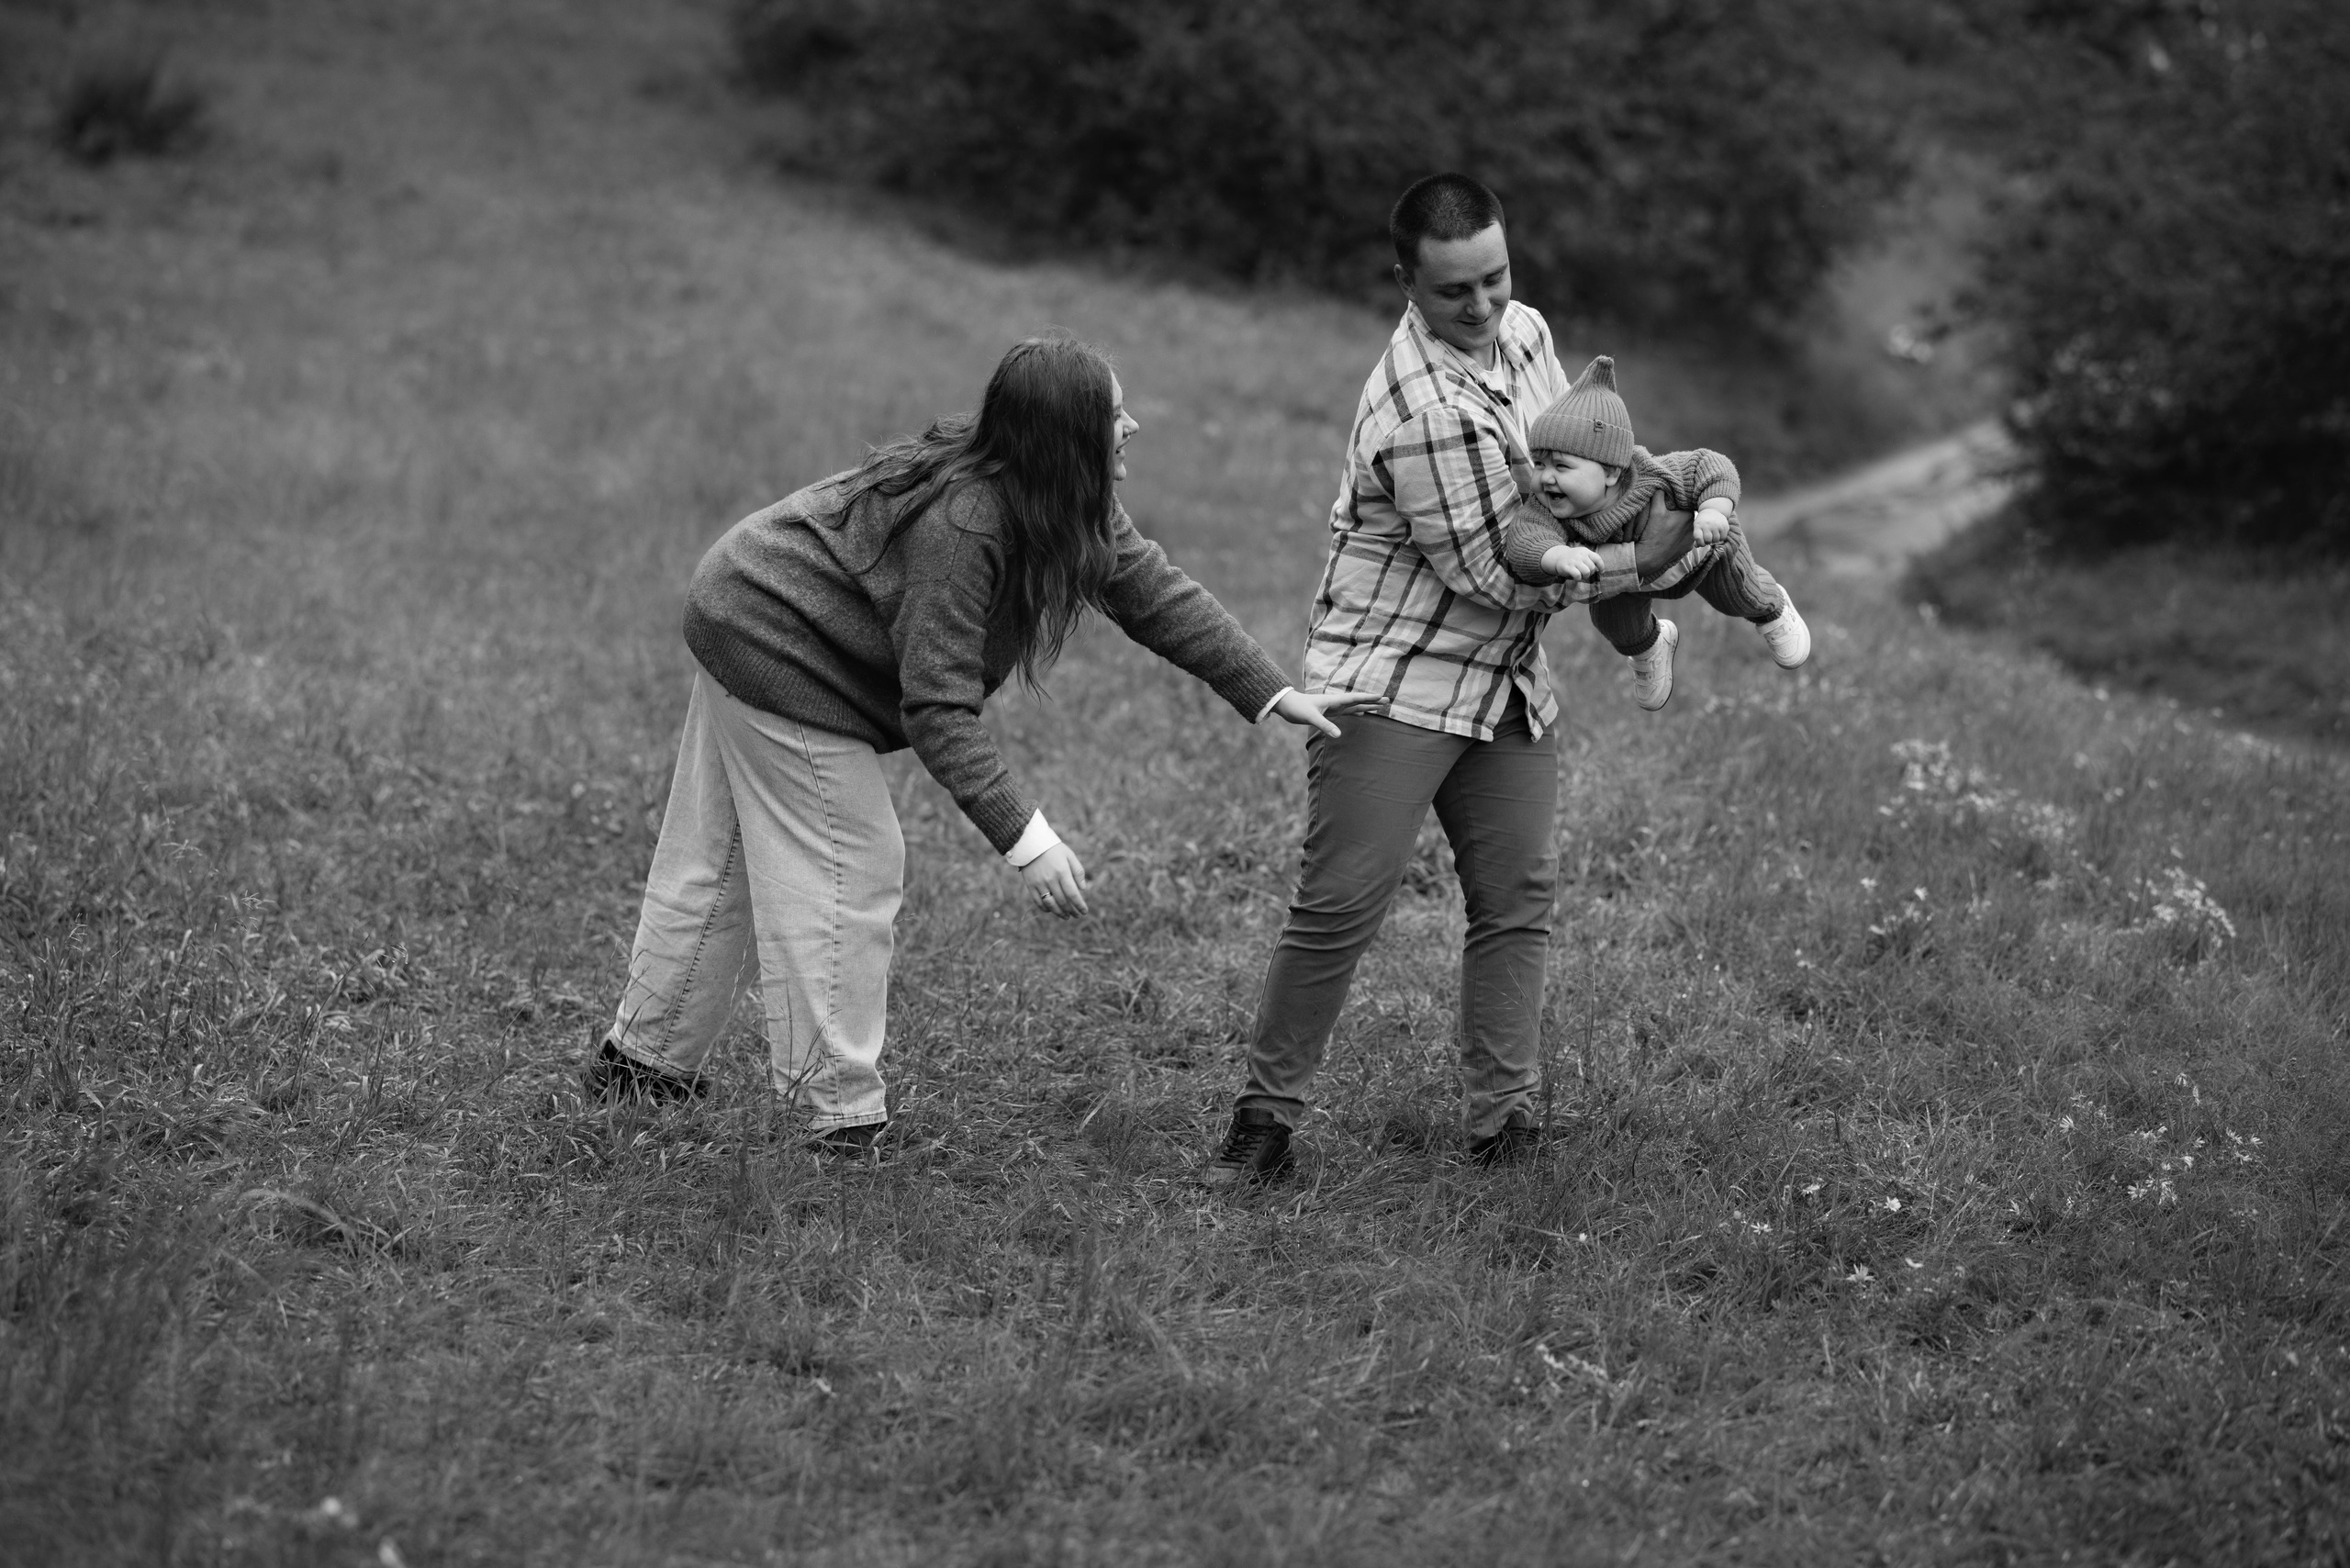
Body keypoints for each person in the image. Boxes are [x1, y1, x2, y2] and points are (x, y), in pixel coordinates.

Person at [583, 336, 1374, 1154]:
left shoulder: (1059, 498)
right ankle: (835, 1116)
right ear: (1065, 438)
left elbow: (1152, 590)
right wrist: (1030, 842)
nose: (1131, 426)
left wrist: (1273, 691)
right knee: (848, 864)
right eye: (1113, 415)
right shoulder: (965, 524)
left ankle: (640, 1067)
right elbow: (939, 707)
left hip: (748, 606)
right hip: (771, 638)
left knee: (721, 863)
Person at [1200, 174, 1705, 1188]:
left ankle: (1503, 1124)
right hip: (1394, 679)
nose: (1481, 308)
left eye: (1494, 279)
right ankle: (1261, 1129)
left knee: (1516, 895)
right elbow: (1499, 574)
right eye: (1452, 293)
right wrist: (1653, 563)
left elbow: (1578, 466)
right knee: (1341, 902)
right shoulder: (1424, 408)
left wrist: (1660, 500)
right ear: (1405, 284)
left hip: (1501, 682)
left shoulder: (1522, 334)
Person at [1504, 354, 1810, 711]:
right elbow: (1523, 540)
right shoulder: (1548, 509)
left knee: (1739, 594)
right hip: (1629, 579)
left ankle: (1773, 610)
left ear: (1611, 472)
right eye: (1539, 463)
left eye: (1561, 465)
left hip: (1702, 552)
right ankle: (1651, 647)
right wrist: (1557, 556)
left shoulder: (1657, 476)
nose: (1545, 477)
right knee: (1615, 623)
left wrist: (1713, 510)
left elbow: (1710, 464)